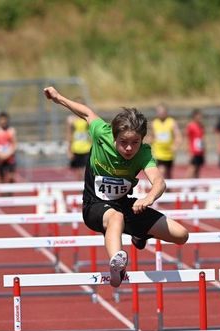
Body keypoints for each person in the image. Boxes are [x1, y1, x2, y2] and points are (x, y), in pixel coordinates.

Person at [43, 86, 189, 287]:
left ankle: (138, 234)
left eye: (135, 142)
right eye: (123, 142)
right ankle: (117, 268)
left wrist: (148, 198)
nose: (129, 148)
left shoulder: (143, 153)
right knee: (115, 216)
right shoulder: (102, 133)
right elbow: (86, 113)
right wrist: (58, 98)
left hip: (125, 206)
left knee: (181, 235)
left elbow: (159, 182)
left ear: (142, 139)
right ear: (114, 137)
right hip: (94, 206)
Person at [149, 103, 182, 179]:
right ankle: (160, 188)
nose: (160, 114)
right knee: (161, 171)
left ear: (166, 112)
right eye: (159, 112)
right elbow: (151, 136)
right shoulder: (154, 123)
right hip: (158, 153)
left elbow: (178, 136)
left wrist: (176, 145)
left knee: (168, 174)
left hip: (169, 153)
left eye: (162, 112)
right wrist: (150, 141)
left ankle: (168, 189)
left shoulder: (171, 122)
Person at [66, 98, 92, 180]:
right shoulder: (71, 120)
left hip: (86, 148)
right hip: (76, 148)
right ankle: (79, 189)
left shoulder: (87, 118)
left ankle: (85, 188)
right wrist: (69, 150)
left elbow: (91, 134)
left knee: (86, 170)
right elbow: (69, 135)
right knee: (77, 172)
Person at [0, 111, 17, 184]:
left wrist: (8, 154)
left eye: (4, 120)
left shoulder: (11, 131)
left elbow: (15, 144)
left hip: (10, 157)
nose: (3, 122)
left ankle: (10, 192)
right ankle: (3, 194)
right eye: (1, 120)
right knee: (1, 178)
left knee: (11, 177)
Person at [185, 108, 205, 179]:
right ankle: (185, 186)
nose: (200, 118)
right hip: (194, 151)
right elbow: (188, 139)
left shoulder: (201, 126)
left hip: (200, 151)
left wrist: (204, 150)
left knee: (198, 169)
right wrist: (189, 151)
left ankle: (195, 185)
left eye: (200, 116)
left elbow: (202, 139)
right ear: (194, 116)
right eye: (198, 116)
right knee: (192, 169)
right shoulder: (191, 126)